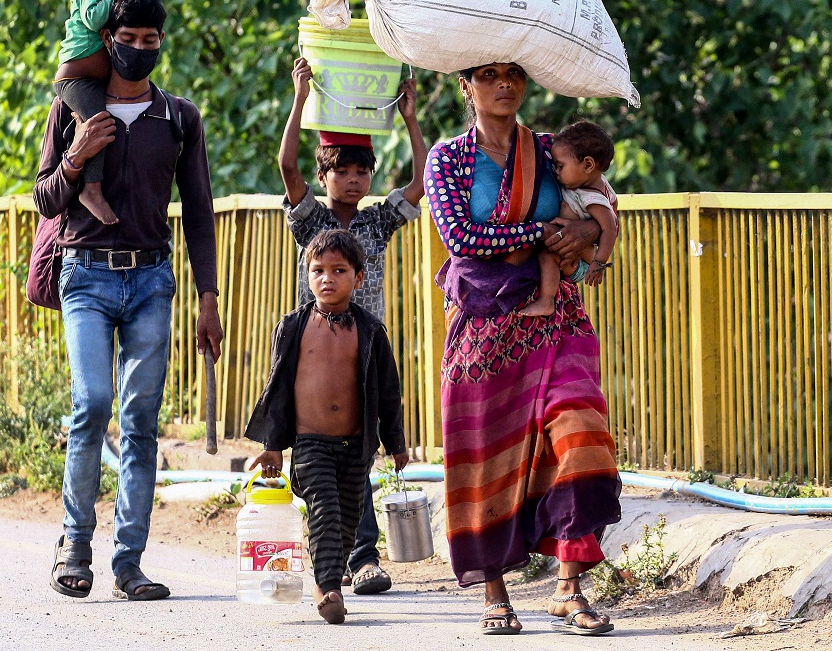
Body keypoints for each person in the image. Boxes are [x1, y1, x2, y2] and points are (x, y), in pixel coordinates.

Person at [35, 0, 225, 601]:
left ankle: (129, 564)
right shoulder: (71, 108)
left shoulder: (178, 117)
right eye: (128, 40)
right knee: (91, 402)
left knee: (141, 418)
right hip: (85, 273)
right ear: (107, 41)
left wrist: (208, 295)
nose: (139, 50)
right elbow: (43, 198)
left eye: (151, 41)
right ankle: (74, 544)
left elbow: (198, 209)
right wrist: (74, 160)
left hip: (151, 280)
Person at [423, 62, 622, 636]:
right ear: (466, 85)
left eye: (513, 74)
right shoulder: (448, 159)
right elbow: (462, 237)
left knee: (581, 432)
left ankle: (568, 587)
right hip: (484, 326)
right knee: (490, 457)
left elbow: (601, 198)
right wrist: (540, 233)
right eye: (488, 75)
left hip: (556, 320)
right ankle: (494, 589)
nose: (504, 85)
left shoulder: (550, 150)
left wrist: (590, 235)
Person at [277, 56, 426, 595]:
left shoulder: (376, 222)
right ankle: (333, 555)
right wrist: (299, 98)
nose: (353, 178)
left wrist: (409, 118)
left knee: (359, 453)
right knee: (318, 455)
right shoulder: (311, 220)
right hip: (316, 355)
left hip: (363, 354)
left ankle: (362, 559)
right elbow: (287, 168)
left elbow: (421, 180)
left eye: (361, 170)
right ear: (326, 175)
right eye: (341, 170)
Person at [246, 229, 409, 624]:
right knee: (325, 510)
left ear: (359, 278)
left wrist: (396, 443)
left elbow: (389, 391)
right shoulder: (294, 327)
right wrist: (273, 445)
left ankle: (329, 570)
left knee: (349, 518)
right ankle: (328, 586)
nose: (327, 279)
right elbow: (278, 388)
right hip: (310, 443)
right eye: (318, 270)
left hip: (356, 445)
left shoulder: (370, 331)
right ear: (307, 274)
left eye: (338, 270)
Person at [52, 0, 139, 226]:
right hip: (76, 80)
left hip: (87, 82)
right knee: (98, 125)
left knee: (94, 122)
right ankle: (91, 189)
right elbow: (92, 18)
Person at [519, 120, 619, 317]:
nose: (556, 172)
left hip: (580, 259)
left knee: (547, 257)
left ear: (588, 165)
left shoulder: (593, 197)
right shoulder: (586, 184)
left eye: (561, 166)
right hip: (577, 254)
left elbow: (611, 228)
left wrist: (598, 263)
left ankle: (546, 301)